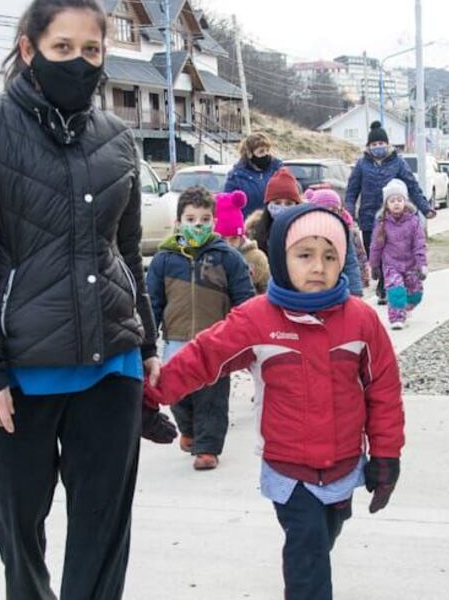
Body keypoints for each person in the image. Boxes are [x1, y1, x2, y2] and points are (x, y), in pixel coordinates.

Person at [0, 0, 176, 600]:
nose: (79, 61)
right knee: (14, 525)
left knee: (102, 531)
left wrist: (146, 342)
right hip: (19, 373)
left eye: (91, 49)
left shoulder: (118, 137)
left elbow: (125, 251)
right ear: (28, 48)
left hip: (112, 365)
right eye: (62, 46)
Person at [145, 204, 405, 600]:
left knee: (323, 538)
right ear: (282, 258)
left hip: (343, 466)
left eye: (329, 256)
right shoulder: (258, 318)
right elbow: (203, 357)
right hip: (288, 470)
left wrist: (387, 455)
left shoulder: (361, 320)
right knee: (307, 554)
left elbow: (383, 390)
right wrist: (148, 398)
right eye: (305, 255)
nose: (318, 266)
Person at [146, 186, 256, 470]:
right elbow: (152, 303)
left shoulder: (228, 258)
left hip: (215, 343)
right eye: (191, 219)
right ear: (179, 222)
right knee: (177, 393)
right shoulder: (164, 259)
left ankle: (207, 448)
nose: (198, 225)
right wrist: (148, 336)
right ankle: (189, 431)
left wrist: (244, 335)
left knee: (212, 397)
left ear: (214, 222)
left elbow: (244, 299)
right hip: (176, 340)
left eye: (204, 219)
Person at [247, 169, 365, 297]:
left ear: (297, 204)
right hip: (271, 296)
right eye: (277, 203)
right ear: (268, 205)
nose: (282, 207)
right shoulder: (254, 232)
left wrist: (354, 292)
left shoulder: (313, 227)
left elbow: (348, 263)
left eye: (288, 203)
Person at [345, 121, 437, 255]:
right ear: (369, 147)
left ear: (387, 144)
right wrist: (349, 214)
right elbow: (351, 192)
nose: (378, 147)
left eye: (381, 143)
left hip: (394, 219)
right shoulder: (361, 164)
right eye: (374, 144)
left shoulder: (398, 162)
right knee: (374, 259)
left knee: (392, 259)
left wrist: (425, 208)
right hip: (369, 220)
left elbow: (412, 187)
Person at [368, 180, 428, 330]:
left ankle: (404, 309)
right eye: (392, 200)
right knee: (396, 290)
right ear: (386, 204)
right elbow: (376, 246)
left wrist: (422, 265)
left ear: (405, 202)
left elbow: (419, 244)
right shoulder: (382, 223)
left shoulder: (414, 221)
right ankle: (396, 318)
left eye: (399, 200)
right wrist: (374, 265)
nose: (396, 203)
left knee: (415, 295)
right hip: (391, 264)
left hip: (411, 264)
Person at [304, 187, 371, 289]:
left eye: (335, 210)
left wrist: (356, 289)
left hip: (340, 285)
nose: (331, 214)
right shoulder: (306, 233)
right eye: (325, 211)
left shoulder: (345, 232)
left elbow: (352, 263)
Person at [215, 189, 270, 294]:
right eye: (222, 239)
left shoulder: (256, 258)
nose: (228, 245)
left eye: (234, 238)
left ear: (241, 236)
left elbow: (266, 292)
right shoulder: (207, 259)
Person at [224, 132, 284, 218]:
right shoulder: (236, 177)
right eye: (261, 151)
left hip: (274, 224)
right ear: (249, 154)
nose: (266, 154)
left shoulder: (278, 170)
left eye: (267, 150)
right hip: (248, 225)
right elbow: (228, 205)